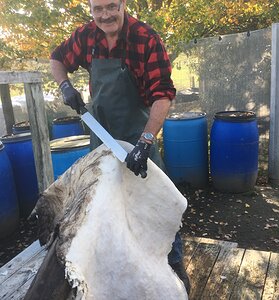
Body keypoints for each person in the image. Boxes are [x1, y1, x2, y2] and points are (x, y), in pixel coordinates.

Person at [50, 0, 190, 294]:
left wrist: (146, 141)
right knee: (103, 200)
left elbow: (162, 95)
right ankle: (108, 265)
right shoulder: (86, 36)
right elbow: (57, 59)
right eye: (97, 8)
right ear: (90, 9)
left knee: (155, 199)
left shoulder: (145, 38)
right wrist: (65, 86)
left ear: (123, 4)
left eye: (111, 6)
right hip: (101, 137)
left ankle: (174, 263)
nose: (105, 15)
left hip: (139, 136)